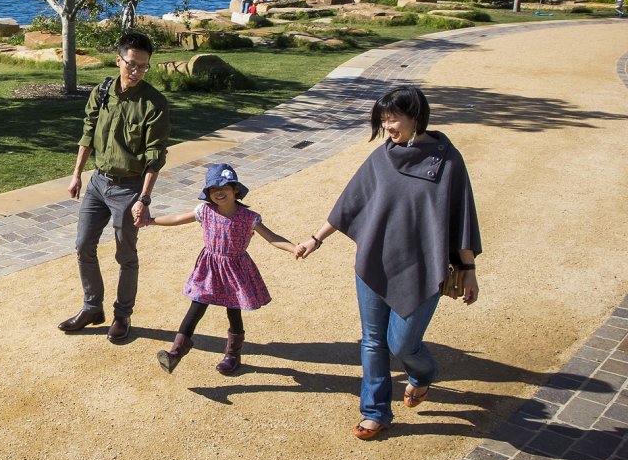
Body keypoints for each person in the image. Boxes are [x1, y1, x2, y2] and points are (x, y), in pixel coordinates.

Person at [295, 86, 481, 441]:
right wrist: (316, 239)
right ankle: (375, 412)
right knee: (372, 341)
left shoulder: (448, 161)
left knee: (403, 344)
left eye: (392, 119)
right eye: (383, 121)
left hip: (424, 268)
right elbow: (349, 204)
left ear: (416, 116)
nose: (387, 127)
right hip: (374, 263)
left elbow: (462, 219)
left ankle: (423, 375)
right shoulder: (382, 157)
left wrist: (469, 271)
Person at [58, 31, 170, 343]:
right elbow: (88, 133)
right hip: (97, 183)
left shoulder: (154, 104)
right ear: (118, 59)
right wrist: (77, 174)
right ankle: (93, 307)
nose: (135, 72)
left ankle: (123, 315)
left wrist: (143, 199)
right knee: (83, 246)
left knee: (126, 255)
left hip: (130, 188)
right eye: (131, 64)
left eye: (143, 67)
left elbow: (155, 156)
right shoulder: (102, 91)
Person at [148, 163, 299, 375]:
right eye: (213, 189)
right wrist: (151, 221)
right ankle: (175, 352)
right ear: (208, 193)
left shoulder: (249, 218)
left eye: (225, 187)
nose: (219, 192)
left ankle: (233, 354)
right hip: (208, 268)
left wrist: (294, 248)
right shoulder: (204, 211)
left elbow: (272, 237)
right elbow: (176, 219)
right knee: (197, 305)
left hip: (234, 269)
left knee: (233, 311)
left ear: (235, 189)